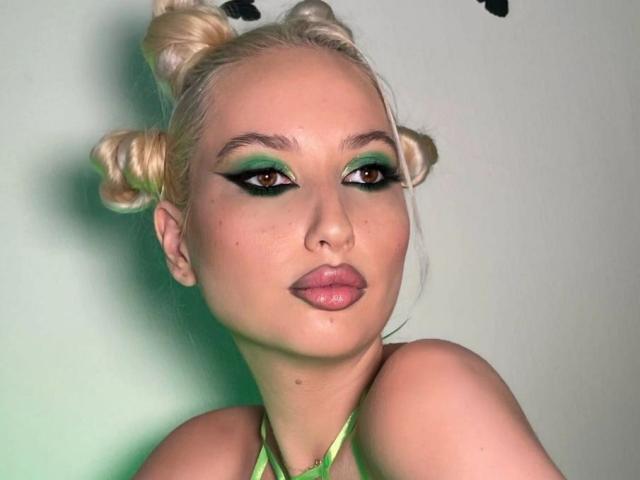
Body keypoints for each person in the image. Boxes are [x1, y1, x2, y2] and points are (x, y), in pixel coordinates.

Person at [91, 1, 565, 478]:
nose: (336, 227)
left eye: (367, 173)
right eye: (268, 178)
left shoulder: (431, 394)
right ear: (178, 244)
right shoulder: (199, 459)